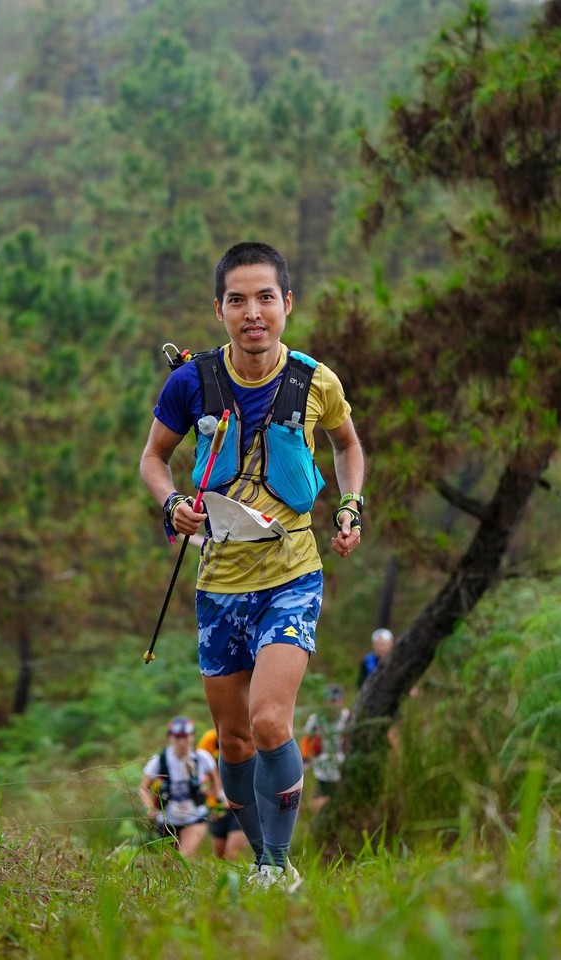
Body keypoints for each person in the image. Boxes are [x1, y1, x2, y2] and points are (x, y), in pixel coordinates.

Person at [140, 241, 364, 891]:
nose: (253, 312)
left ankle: (274, 865)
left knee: (271, 720)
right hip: (219, 583)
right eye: (238, 299)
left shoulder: (316, 381)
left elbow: (348, 446)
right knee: (233, 741)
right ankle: (261, 850)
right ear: (220, 310)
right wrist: (174, 501)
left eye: (266, 297)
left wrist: (351, 505)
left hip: (293, 572)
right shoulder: (190, 383)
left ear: (287, 304)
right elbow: (153, 460)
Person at [139, 715, 220, 858]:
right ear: (171, 738)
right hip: (167, 821)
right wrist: (150, 807)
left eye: (186, 737)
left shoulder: (201, 758)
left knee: (184, 858)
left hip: (195, 817)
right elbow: (143, 788)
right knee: (168, 866)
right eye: (177, 738)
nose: (182, 742)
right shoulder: (160, 760)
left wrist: (212, 794)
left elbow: (215, 779)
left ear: (192, 737)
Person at [196, 728, 249, 861]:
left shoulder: (250, 734)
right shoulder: (211, 738)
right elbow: (199, 767)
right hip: (218, 807)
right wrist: (208, 791)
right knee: (221, 858)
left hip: (243, 806)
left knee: (232, 855)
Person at [300, 684, 350, 812]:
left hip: (343, 761)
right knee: (322, 796)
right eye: (331, 701)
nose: (334, 704)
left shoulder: (346, 717)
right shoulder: (317, 718)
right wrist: (305, 760)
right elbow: (306, 738)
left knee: (341, 797)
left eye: (337, 701)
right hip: (322, 763)